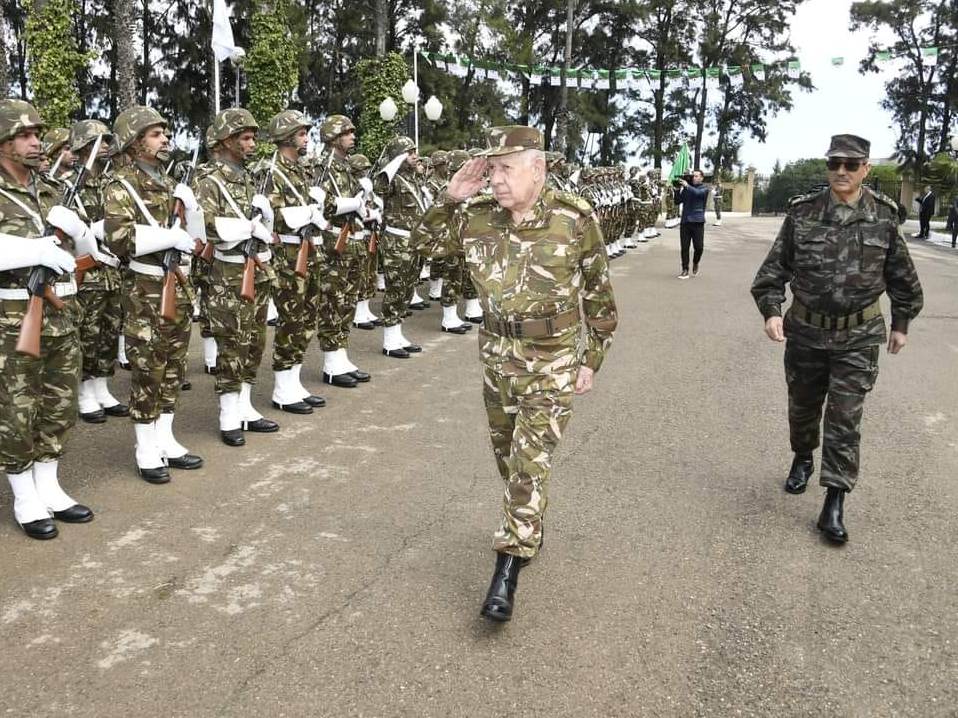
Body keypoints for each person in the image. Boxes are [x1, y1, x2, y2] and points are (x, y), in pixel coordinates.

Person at [412, 126, 617, 622]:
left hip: (554, 358)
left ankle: (506, 569)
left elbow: (599, 295)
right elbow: (422, 247)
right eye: (492, 168)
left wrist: (591, 360)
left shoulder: (573, 217)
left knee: (530, 462)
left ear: (537, 168)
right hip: (498, 357)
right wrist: (450, 196)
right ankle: (529, 522)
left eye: (506, 168)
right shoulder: (478, 215)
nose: (496, 180)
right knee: (509, 460)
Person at [751, 133, 923, 544]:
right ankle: (802, 457)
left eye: (850, 164)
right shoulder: (803, 213)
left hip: (858, 338)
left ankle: (834, 499)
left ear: (866, 168)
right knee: (804, 407)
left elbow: (903, 278)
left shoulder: (883, 217)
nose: (841, 172)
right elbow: (771, 274)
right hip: (806, 334)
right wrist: (772, 312)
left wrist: (901, 323)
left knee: (845, 418)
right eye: (834, 164)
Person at [0, 99, 94, 539]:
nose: (36, 142)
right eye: (24, 135)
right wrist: (32, 251)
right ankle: (24, 495)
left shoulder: (50, 189)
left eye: (37, 134)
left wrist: (77, 231)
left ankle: (49, 486)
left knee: (59, 402)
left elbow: (87, 255)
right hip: (12, 315)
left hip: (59, 313)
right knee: (17, 409)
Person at [104, 106, 203, 481]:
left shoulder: (169, 181)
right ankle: (146, 446)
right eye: (155, 134)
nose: (165, 139)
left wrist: (191, 209)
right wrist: (168, 237)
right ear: (134, 142)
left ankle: (165, 437)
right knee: (149, 366)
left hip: (177, 282)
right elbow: (119, 239)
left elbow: (197, 240)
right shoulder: (120, 185)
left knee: (175, 364)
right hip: (145, 288)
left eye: (165, 132)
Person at [195, 108, 278, 447]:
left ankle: (245, 406)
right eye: (245, 138)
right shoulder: (208, 180)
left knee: (255, 341)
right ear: (226, 140)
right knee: (232, 342)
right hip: (226, 272)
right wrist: (248, 226)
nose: (252, 144)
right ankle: (228, 413)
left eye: (253, 137)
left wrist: (264, 221)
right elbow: (206, 226)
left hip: (253, 269)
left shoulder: (246, 178)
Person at [262, 109, 327, 415]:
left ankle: (294, 380)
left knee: (306, 317)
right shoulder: (270, 171)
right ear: (287, 136)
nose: (306, 138)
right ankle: (282, 387)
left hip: (307, 249)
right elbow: (271, 216)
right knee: (290, 318)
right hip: (287, 254)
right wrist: (306, 214)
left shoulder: (301, 169)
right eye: (301, 133)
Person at [68, 120, 129, 424]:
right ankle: (84, 391)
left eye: (107, 141)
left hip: (112, 269)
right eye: (99, 141)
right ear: (82, 147)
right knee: (87, 333)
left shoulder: (110, 182)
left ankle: (102, 387)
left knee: (109, 330)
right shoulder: (69, 184)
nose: (105, 146)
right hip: (87, 271)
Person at [375, 136, 427, 358]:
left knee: (407, 288)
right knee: (395, 288)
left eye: (415, 151)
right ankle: (389, 340)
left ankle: (397, 334)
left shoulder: (413, 179)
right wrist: (396, 160)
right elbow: (378, 187)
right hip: (397, 242)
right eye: (409, 152)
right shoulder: (392, 180)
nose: (415, 155)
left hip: (414, 241)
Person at [676, 169, 708, 279]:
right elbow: (677, 201)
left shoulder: (704, 189)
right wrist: (676, 189)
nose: (694, 178)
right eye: (693, 176)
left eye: (696, 176)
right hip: (685, 222)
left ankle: (695, 262)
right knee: (684, 247)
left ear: (701, 178)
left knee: (699, 247)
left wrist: (687, 186)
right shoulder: (686, 188)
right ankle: (685, 269)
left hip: (698, 222)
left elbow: (697, 193)